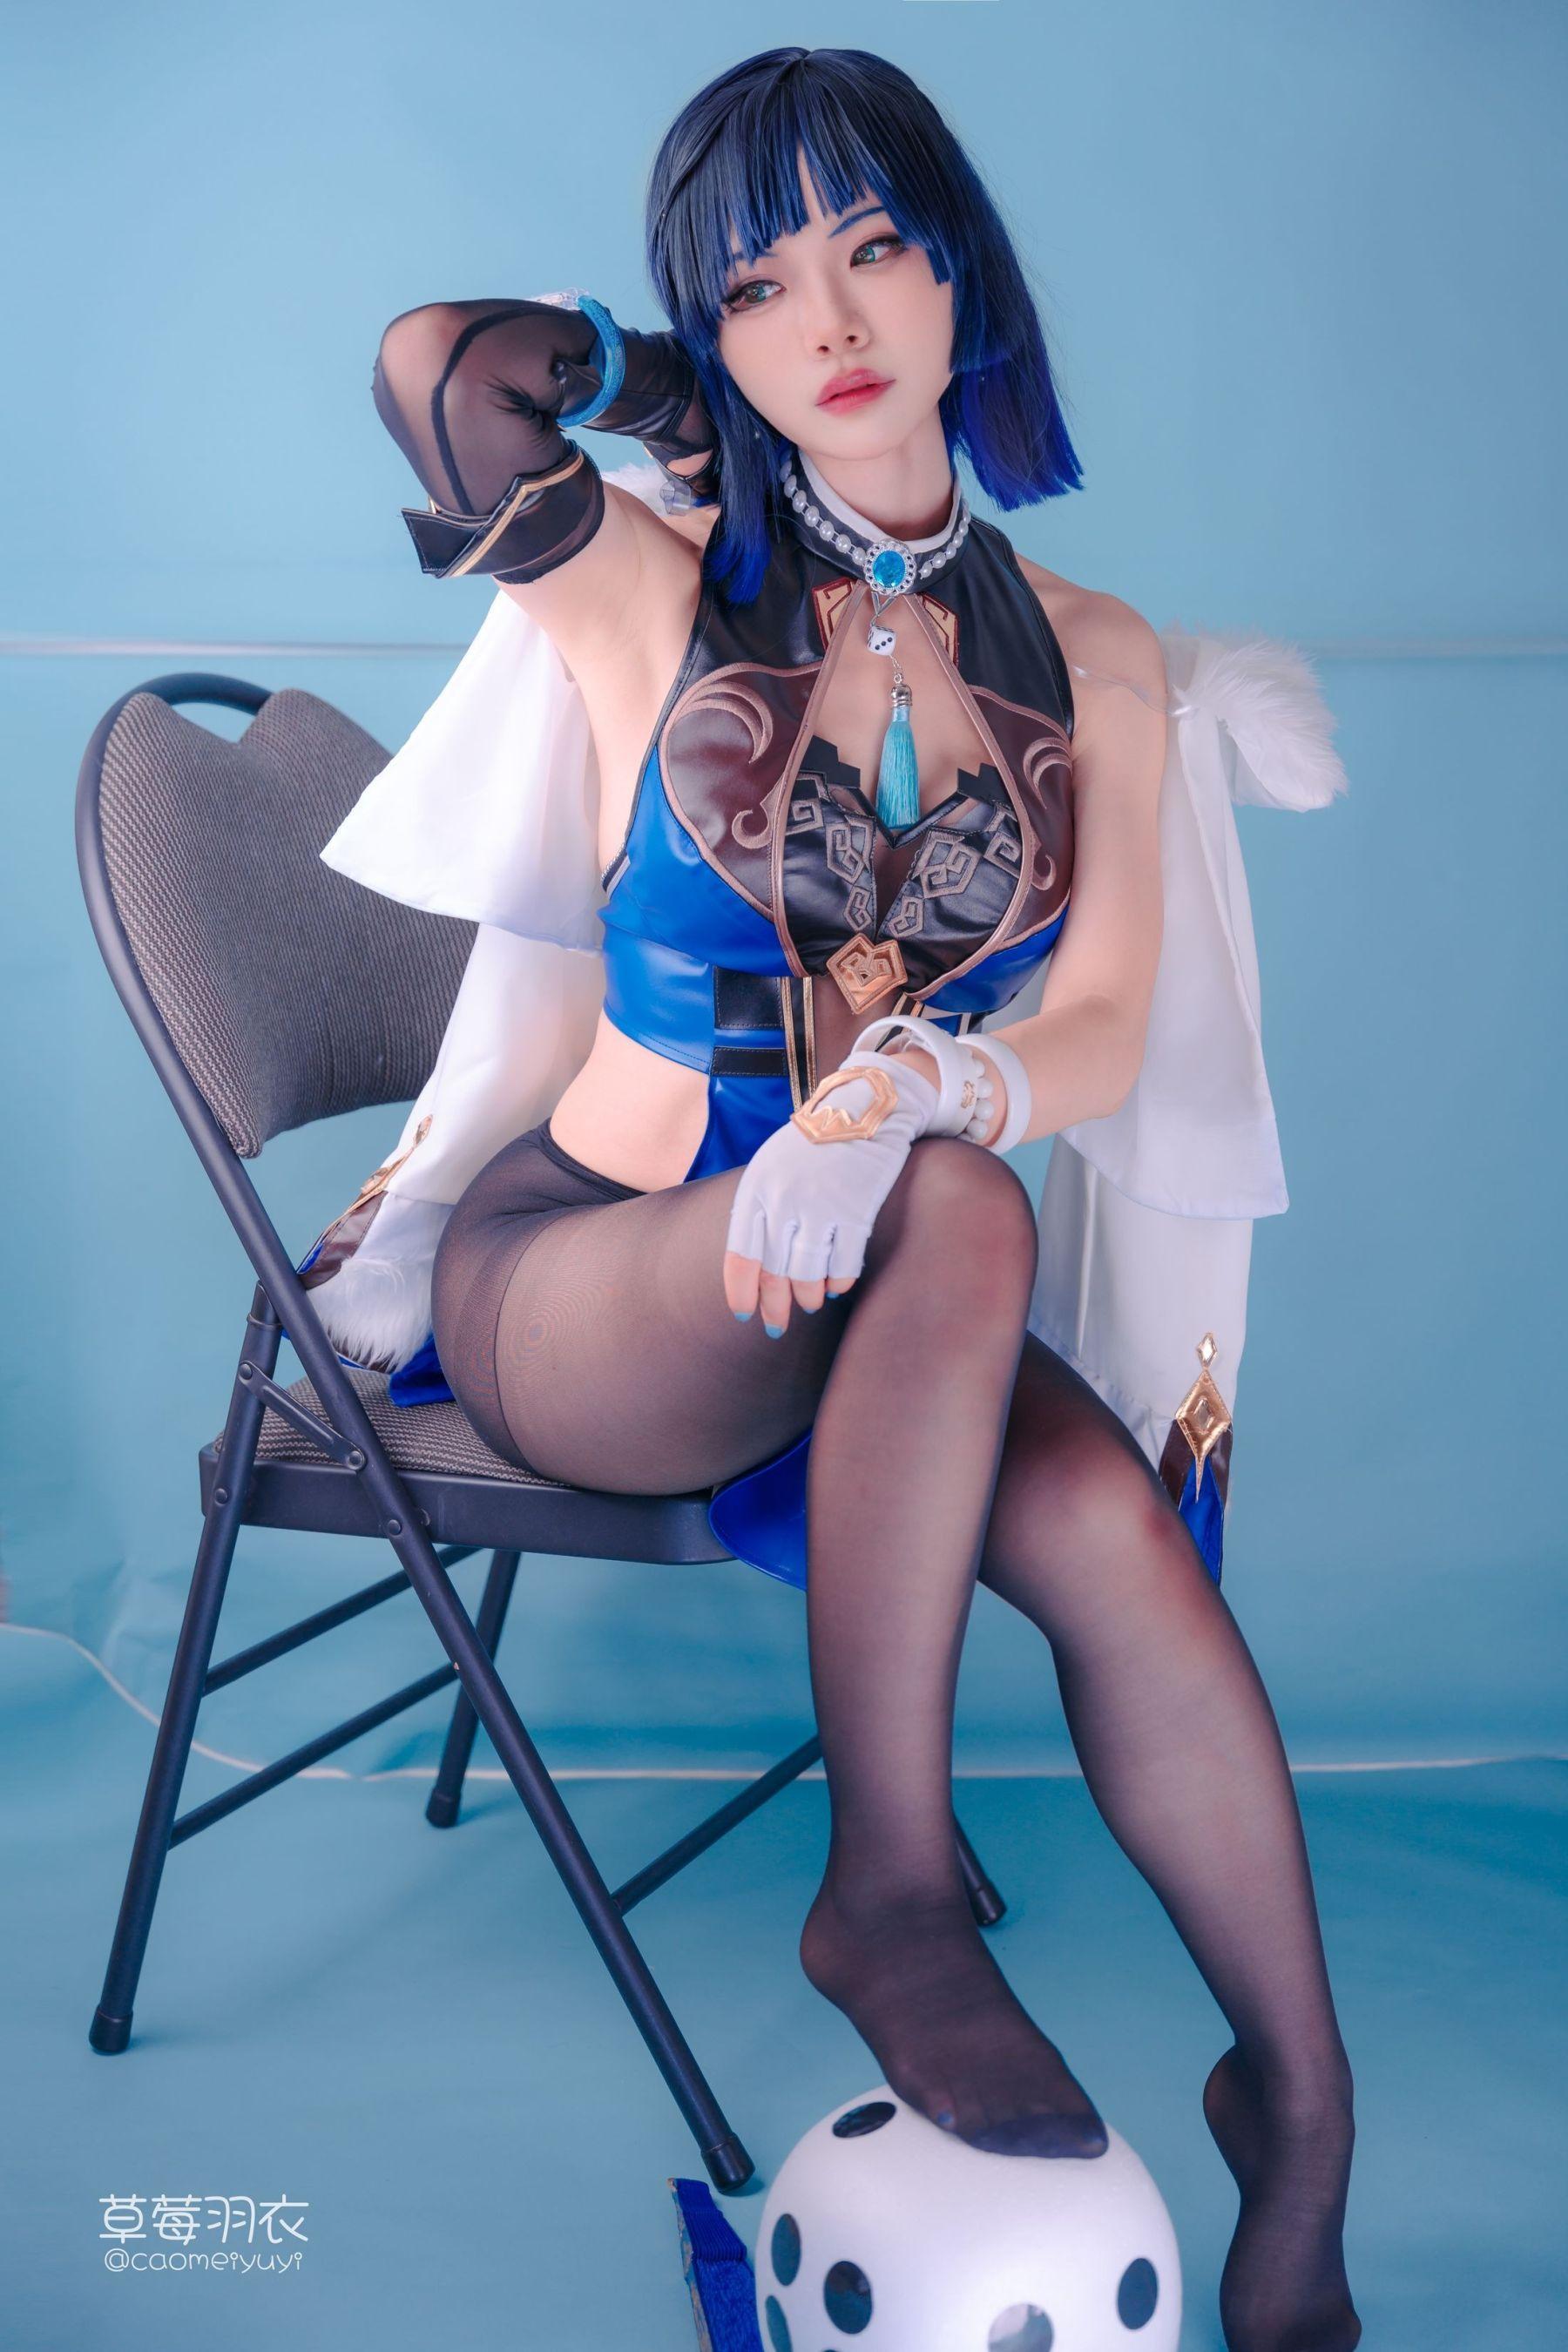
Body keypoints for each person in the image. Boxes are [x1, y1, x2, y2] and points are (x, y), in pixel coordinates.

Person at [365, 46, 1360, 2352]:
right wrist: (678, 399)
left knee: (1099, 1501)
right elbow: (444, 370)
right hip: (600, 1280)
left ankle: (1302, 2110)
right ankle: (889, 1893)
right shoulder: (654, 586)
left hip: (888, 1308)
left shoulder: (1090, 648)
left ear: (960, 276)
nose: (828, 315)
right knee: (961, 1209)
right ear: (710, 334)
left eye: (875, 247)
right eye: (756, 285)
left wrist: (921, 1079)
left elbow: (1097, 1022)